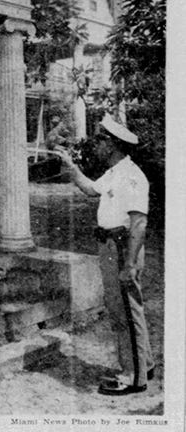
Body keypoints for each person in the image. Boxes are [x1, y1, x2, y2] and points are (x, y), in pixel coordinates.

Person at [56, 114, 155, 396]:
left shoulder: (132, 176)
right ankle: (143, 364)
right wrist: (71, 167)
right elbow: (90, 189)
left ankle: (133, 378)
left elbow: (139, 223)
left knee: (124, 312)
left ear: (112, 145)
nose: (95, 144)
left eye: (99, 139)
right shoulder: (115, 172)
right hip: (111, 247)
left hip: (123, 247)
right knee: (126, 308)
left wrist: (130, 265)